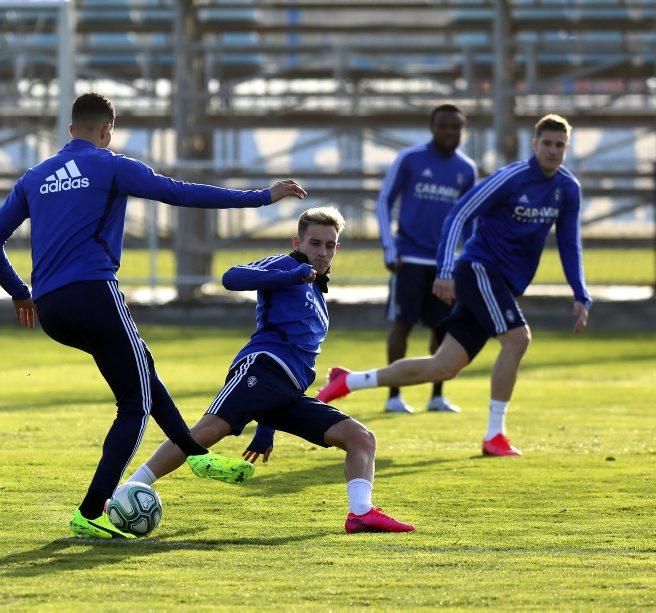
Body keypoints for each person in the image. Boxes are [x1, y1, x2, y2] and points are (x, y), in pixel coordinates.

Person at [0, 92, 307, 539]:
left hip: (52, 308)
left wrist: (20, 292)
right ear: (106, 131)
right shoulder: (111, 164)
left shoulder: (35, 177)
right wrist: (261, 197)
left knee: (142, 368)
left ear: (72, 129)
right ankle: (91, 511)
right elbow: (178, 192)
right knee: (135, 404)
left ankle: (195, 453)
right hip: (94, 293)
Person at [125, 207, 415, 533]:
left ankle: (360, 513)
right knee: (205, 433)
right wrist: (293, 273)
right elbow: (231, 277)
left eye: (329, 245)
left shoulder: (318, 292)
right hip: (262, 368)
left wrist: (267, 429)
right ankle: (127, 491)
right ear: (298, 241)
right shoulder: (286, 265)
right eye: (315, 243)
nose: (321, 252)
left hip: (288, 392)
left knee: (361, 438)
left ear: (337, 248)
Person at [318, 114, 590, 457]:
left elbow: (569, 242)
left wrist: (580, 293)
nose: (553, 151)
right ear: (534, 145)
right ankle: (495, 435)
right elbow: (458, 215)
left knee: (442, 367)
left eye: (559, 145)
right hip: (479, 270)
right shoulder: (510, 178)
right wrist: (446, 270)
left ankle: (348, 381)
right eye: (547, 144)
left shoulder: (567, 189)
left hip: (502, 283)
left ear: (567, 148)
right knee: (518, 339)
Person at [376, 104, 477, 414]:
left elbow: (470, 217)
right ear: (433, 128)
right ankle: (394, 396)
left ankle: (437, 396)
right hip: (409, 260)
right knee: (402, 327)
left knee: (444, 331)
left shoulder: (467, 169)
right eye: (444, 126)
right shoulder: (410, 159)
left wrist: (467, 257)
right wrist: (390, 248)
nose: (450, 132)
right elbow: (384, 201)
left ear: (462, 130)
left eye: (455, 127)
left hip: (445, 266)